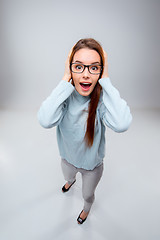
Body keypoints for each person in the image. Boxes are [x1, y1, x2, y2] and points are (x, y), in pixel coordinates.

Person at [37, 38, 132, 224]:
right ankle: (70, 181)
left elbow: (122, 123)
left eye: (94, 68)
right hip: (67, 159)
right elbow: (45, 119)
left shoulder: (103, 100)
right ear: (70, 68)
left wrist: (106, 81)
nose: (86, 75)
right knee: (68, 176)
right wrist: (65, 78)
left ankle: (86, 210)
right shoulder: (65, 96)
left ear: (101, 71)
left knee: (87, 195)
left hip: (92, 167)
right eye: (79, 67)